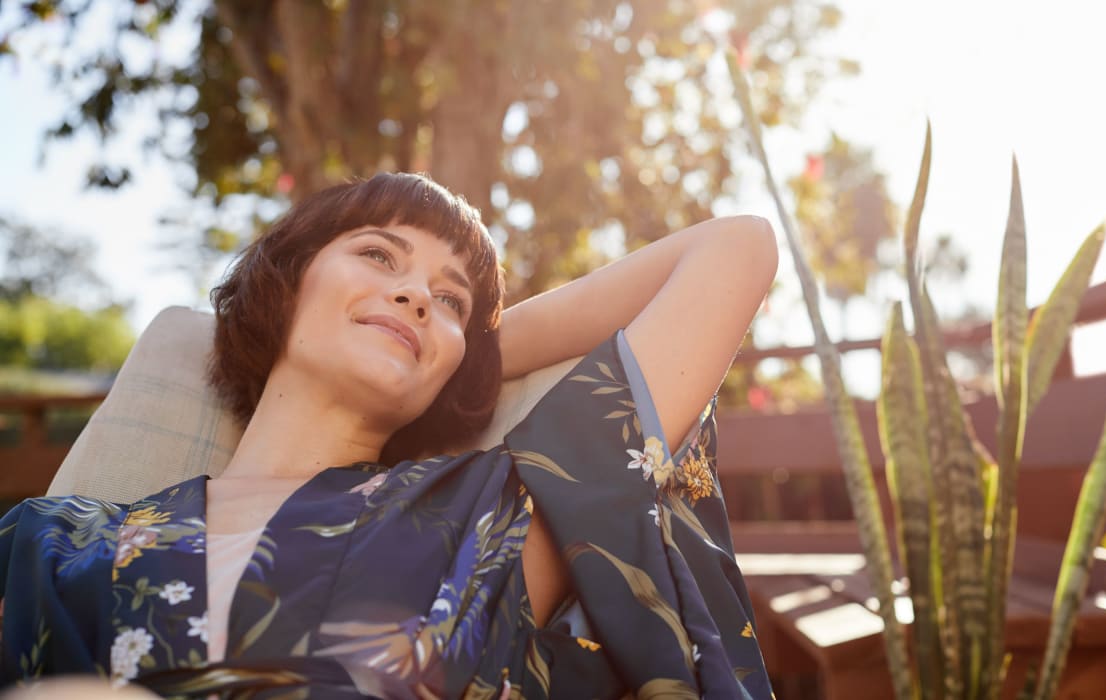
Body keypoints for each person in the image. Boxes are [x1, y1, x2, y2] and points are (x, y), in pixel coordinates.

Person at [0, 173, 778, 698]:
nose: (414, 293)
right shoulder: (49, 541)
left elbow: (733, 248)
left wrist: (467, 355)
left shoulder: (490, 515)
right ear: (287, 279)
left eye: (449, 299)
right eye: (378, 255)